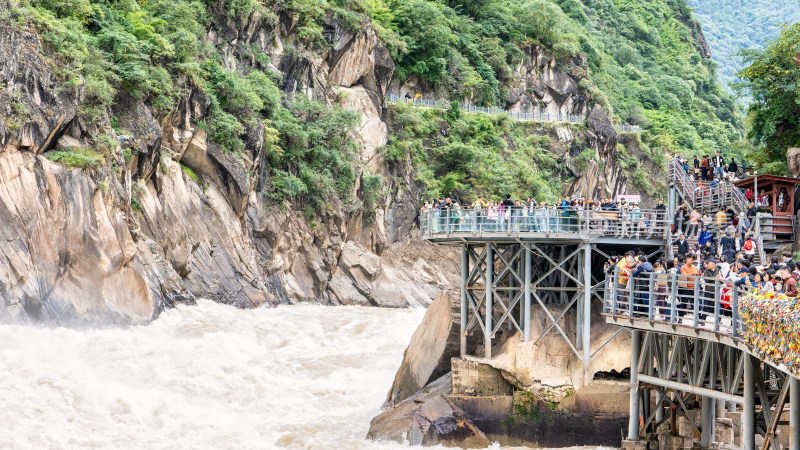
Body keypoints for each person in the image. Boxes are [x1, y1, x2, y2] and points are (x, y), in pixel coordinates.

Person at [678, 255, 701, 320]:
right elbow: (684, 276)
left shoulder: (695, 267)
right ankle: (680, 317)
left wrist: (699, 273)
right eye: (691, 260)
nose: (692, 261)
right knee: (683, 303)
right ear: (687, 259)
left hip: (694, 287)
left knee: (696, 303)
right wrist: (693, 273)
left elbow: (697, 276)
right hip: (686, 288)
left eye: (693, 260)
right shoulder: (683, 267)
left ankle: (698, 318)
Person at [700, 259, 721, 324]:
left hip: (716, 291)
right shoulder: (706, 271)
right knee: (706, 306)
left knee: (717, 306)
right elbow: (707, 280)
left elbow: (719, 278)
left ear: (713, 264)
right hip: (708, 291)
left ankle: (718, 320)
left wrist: (716, 278)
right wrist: (714, 278)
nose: (707, 265)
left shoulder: (717, 270)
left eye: (709, 263)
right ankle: (703, 320)